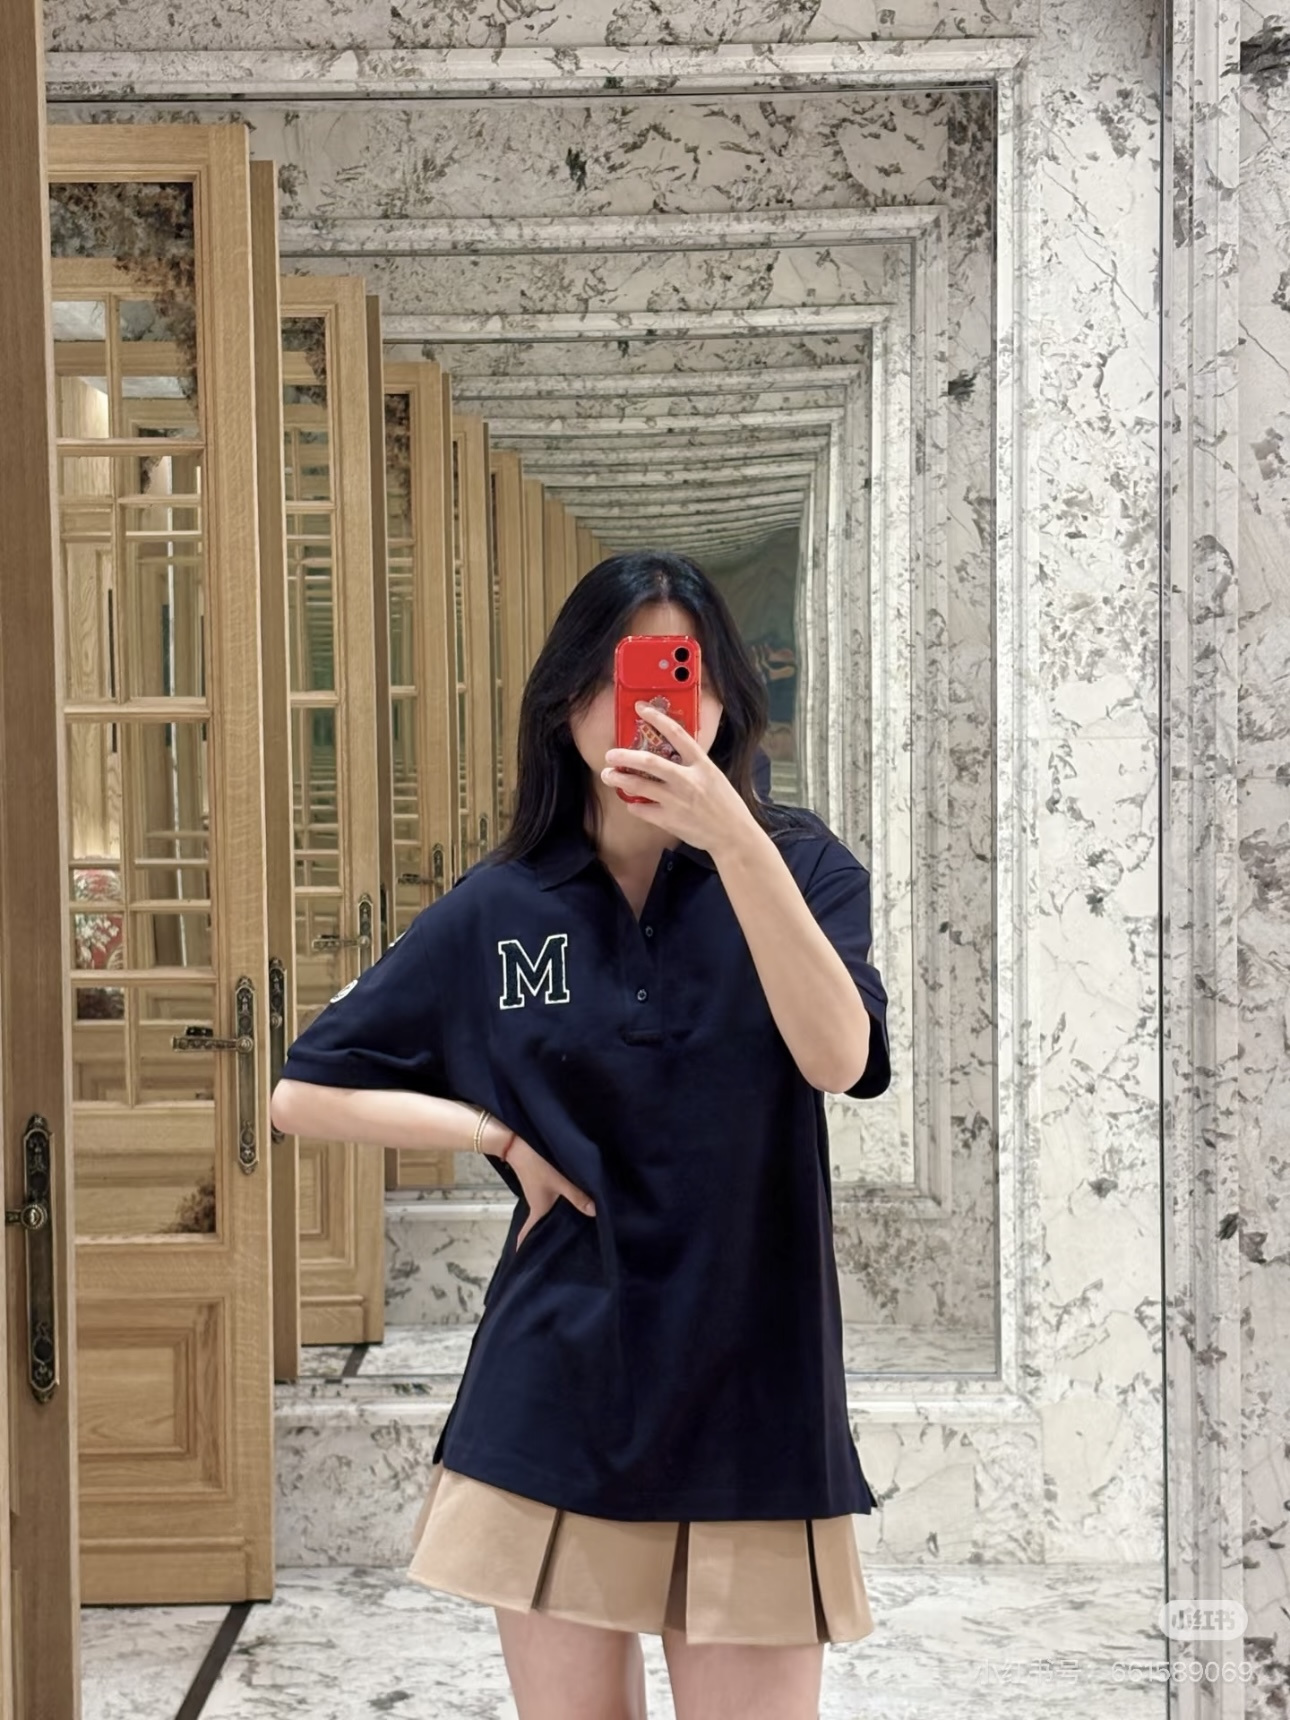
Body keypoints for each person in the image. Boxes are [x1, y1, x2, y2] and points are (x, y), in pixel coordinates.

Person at [270, 550, 892, 1720]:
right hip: (558, 1377)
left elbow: (840, 1059)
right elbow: (302, 1090)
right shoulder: (504, 904)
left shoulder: (803, 866)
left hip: (755, 1391)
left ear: (724, 697)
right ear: (565, 702)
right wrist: (494, 1135)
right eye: (618, 674)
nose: (649, 706)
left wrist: (733, 837)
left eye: (678, 672)